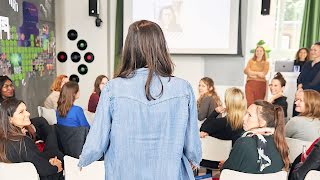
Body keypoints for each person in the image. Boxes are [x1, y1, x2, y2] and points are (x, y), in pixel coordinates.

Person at [78, 20, 201, 180]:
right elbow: (191, 145)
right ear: (161, 47)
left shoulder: (112, 89)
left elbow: (97, 142)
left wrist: (83, 160)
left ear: (129, 48)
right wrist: (195, 159)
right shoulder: (183, 89)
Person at [0, 98, 63, 180]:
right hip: (39, 175)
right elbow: (44, 170)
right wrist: (57, 167)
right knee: (57, 152)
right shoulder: (23, 142)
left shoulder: (5, 139)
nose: (28, 114)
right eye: (21, 112)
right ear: (10, 119)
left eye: (26, 110)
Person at [222, 100, 290, 174]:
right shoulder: (280, 144)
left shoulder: (244, 143)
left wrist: (223, 166)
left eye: (249, 115)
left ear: (263, 122)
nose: (243, 118)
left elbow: (225, 174)